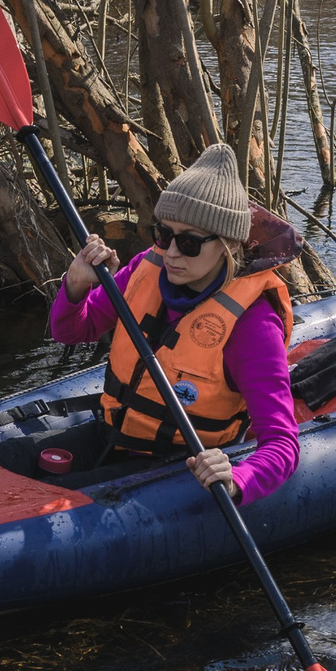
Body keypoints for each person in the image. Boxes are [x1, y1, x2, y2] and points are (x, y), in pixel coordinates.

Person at [50, 143, 299, 503]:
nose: (171, 253)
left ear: (229, 244)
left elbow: (282, 443)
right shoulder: (146, 268)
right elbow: (70, 331)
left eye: (189, 243)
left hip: (176, 465)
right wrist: (76, 285)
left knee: (42, 501)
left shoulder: (253, 323)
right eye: (164, 235)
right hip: (113, 435)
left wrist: (237, 479)